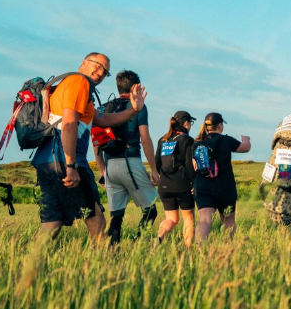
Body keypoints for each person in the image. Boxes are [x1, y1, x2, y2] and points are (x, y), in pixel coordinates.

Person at [32, 52, 147, 241]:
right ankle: (102, 267)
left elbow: (102, 119)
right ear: (84, 62)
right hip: (67, 159)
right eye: (98, 65)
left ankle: (29, 266)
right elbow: (69, 123)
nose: (101, 72)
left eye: (106, 71)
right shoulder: (80, 82)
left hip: (46, 160)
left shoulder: (71, 85)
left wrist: (134, 110)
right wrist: (71, 166)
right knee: (96, 220)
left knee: (51, 223)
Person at [95, 70, 160, 245]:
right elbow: (145, 138)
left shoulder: (104, 108)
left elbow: (96, 141)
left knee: (117, 214)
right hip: (130, 161)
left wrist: (102, 170)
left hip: (109, 166)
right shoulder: (138, 107)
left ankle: (113, 250)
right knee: (150, 211)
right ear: (135, 87)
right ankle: (137, 245)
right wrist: (153, 170)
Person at [193, 113, 250, 243]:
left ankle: (199, 251)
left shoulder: (198, 143)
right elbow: (245, 148)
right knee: (228, 221)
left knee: (204, 221)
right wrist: (246, 140)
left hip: (203, 186)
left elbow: (194, 166)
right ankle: (226, 251)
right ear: (220, 125)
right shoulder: (226, 140)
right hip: (225, 187)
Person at [155, 111, 196, 247]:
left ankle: (159, 237)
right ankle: (189, 250)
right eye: (190, 122)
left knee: (171, 219)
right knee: (188, 218)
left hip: (164, 186)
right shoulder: (187, 140)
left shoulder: (163, 140)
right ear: (185, 123)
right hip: (182, 185)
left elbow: (157, 164)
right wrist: (193, 182)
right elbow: (190, 165)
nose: (190, 125)